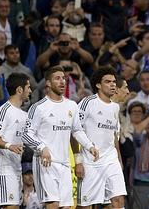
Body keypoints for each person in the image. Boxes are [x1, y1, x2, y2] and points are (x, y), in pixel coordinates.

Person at [22, 66, 99, 208]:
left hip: (65, 165)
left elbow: (77, 131)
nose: (62, 81)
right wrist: (42, 148)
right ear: (48, 83)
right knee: (53, 205)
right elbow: (26, 134)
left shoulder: (71, 106)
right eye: (57, 78)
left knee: (67, 207)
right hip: (45, 164)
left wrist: (89, 146)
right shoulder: (38, 107)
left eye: (64, 78)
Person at [74, 66, 126, 208]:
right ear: (98, 85)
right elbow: (75, 131)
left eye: (114, 81)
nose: (113, 84)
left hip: (110, 161)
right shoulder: (87, 102)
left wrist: (119, 162)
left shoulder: (115, 107)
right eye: (108, 81)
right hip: (89, 162)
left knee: (118, 201)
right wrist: (78, 161)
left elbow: (114, 138)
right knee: (85, 206)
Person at [0, 72, 31, 208]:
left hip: (15, 168)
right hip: (3, 169)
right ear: (19, 89)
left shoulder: (24, 114)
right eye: (28, 87)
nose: (30, 91)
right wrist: (9, 145)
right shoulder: (4, 111)